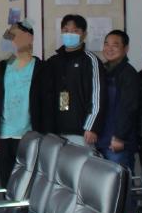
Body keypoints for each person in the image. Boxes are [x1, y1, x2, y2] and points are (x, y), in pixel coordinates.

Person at [0, 21, 46, 186]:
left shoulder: (41, 67)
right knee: (7, 182)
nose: (13, 39)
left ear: (30, 37)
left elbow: (46, 104)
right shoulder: (3, 67)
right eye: (10, 36)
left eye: (17, 35)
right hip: (5, 134)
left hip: (30, 135)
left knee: (29, 183)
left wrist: (45, 134)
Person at [44, 14, 103, 146]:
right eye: (66, 30)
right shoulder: (53, 61)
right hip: (56, 131)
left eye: (75, 31)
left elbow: (97, 96)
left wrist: (91, 126)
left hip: (82, 132)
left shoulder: (90, 60)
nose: (70, 34)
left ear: (84, 34)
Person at [98, 30, 140, 170]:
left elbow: (129, 107)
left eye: (115, 45)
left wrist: (120, 137)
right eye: (106, 44)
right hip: (101, 140)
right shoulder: (102, 71)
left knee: (119, 180)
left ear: (126, 49)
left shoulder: (128, 73)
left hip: (117, 142)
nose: (109, 48)